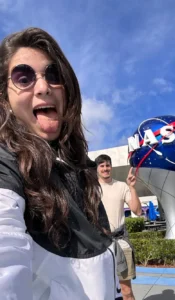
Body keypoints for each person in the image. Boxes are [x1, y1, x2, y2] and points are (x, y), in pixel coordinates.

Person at [0, 27, 122, 300]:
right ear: (4, 99)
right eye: (23, 77)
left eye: (53, 75)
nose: (43, 87)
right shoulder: (5, 163)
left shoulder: (80, 170)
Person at [95, 154, 142, 300]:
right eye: (102, 166)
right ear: (96, 169)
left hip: (120, 242)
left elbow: (137, 210)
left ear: (111, 167)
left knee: (126, 291)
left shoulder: (121, 186)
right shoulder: (91, 189)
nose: (105, 168)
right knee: (100, 290)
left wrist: (132, 187)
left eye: (107, 165)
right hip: (99, 244)